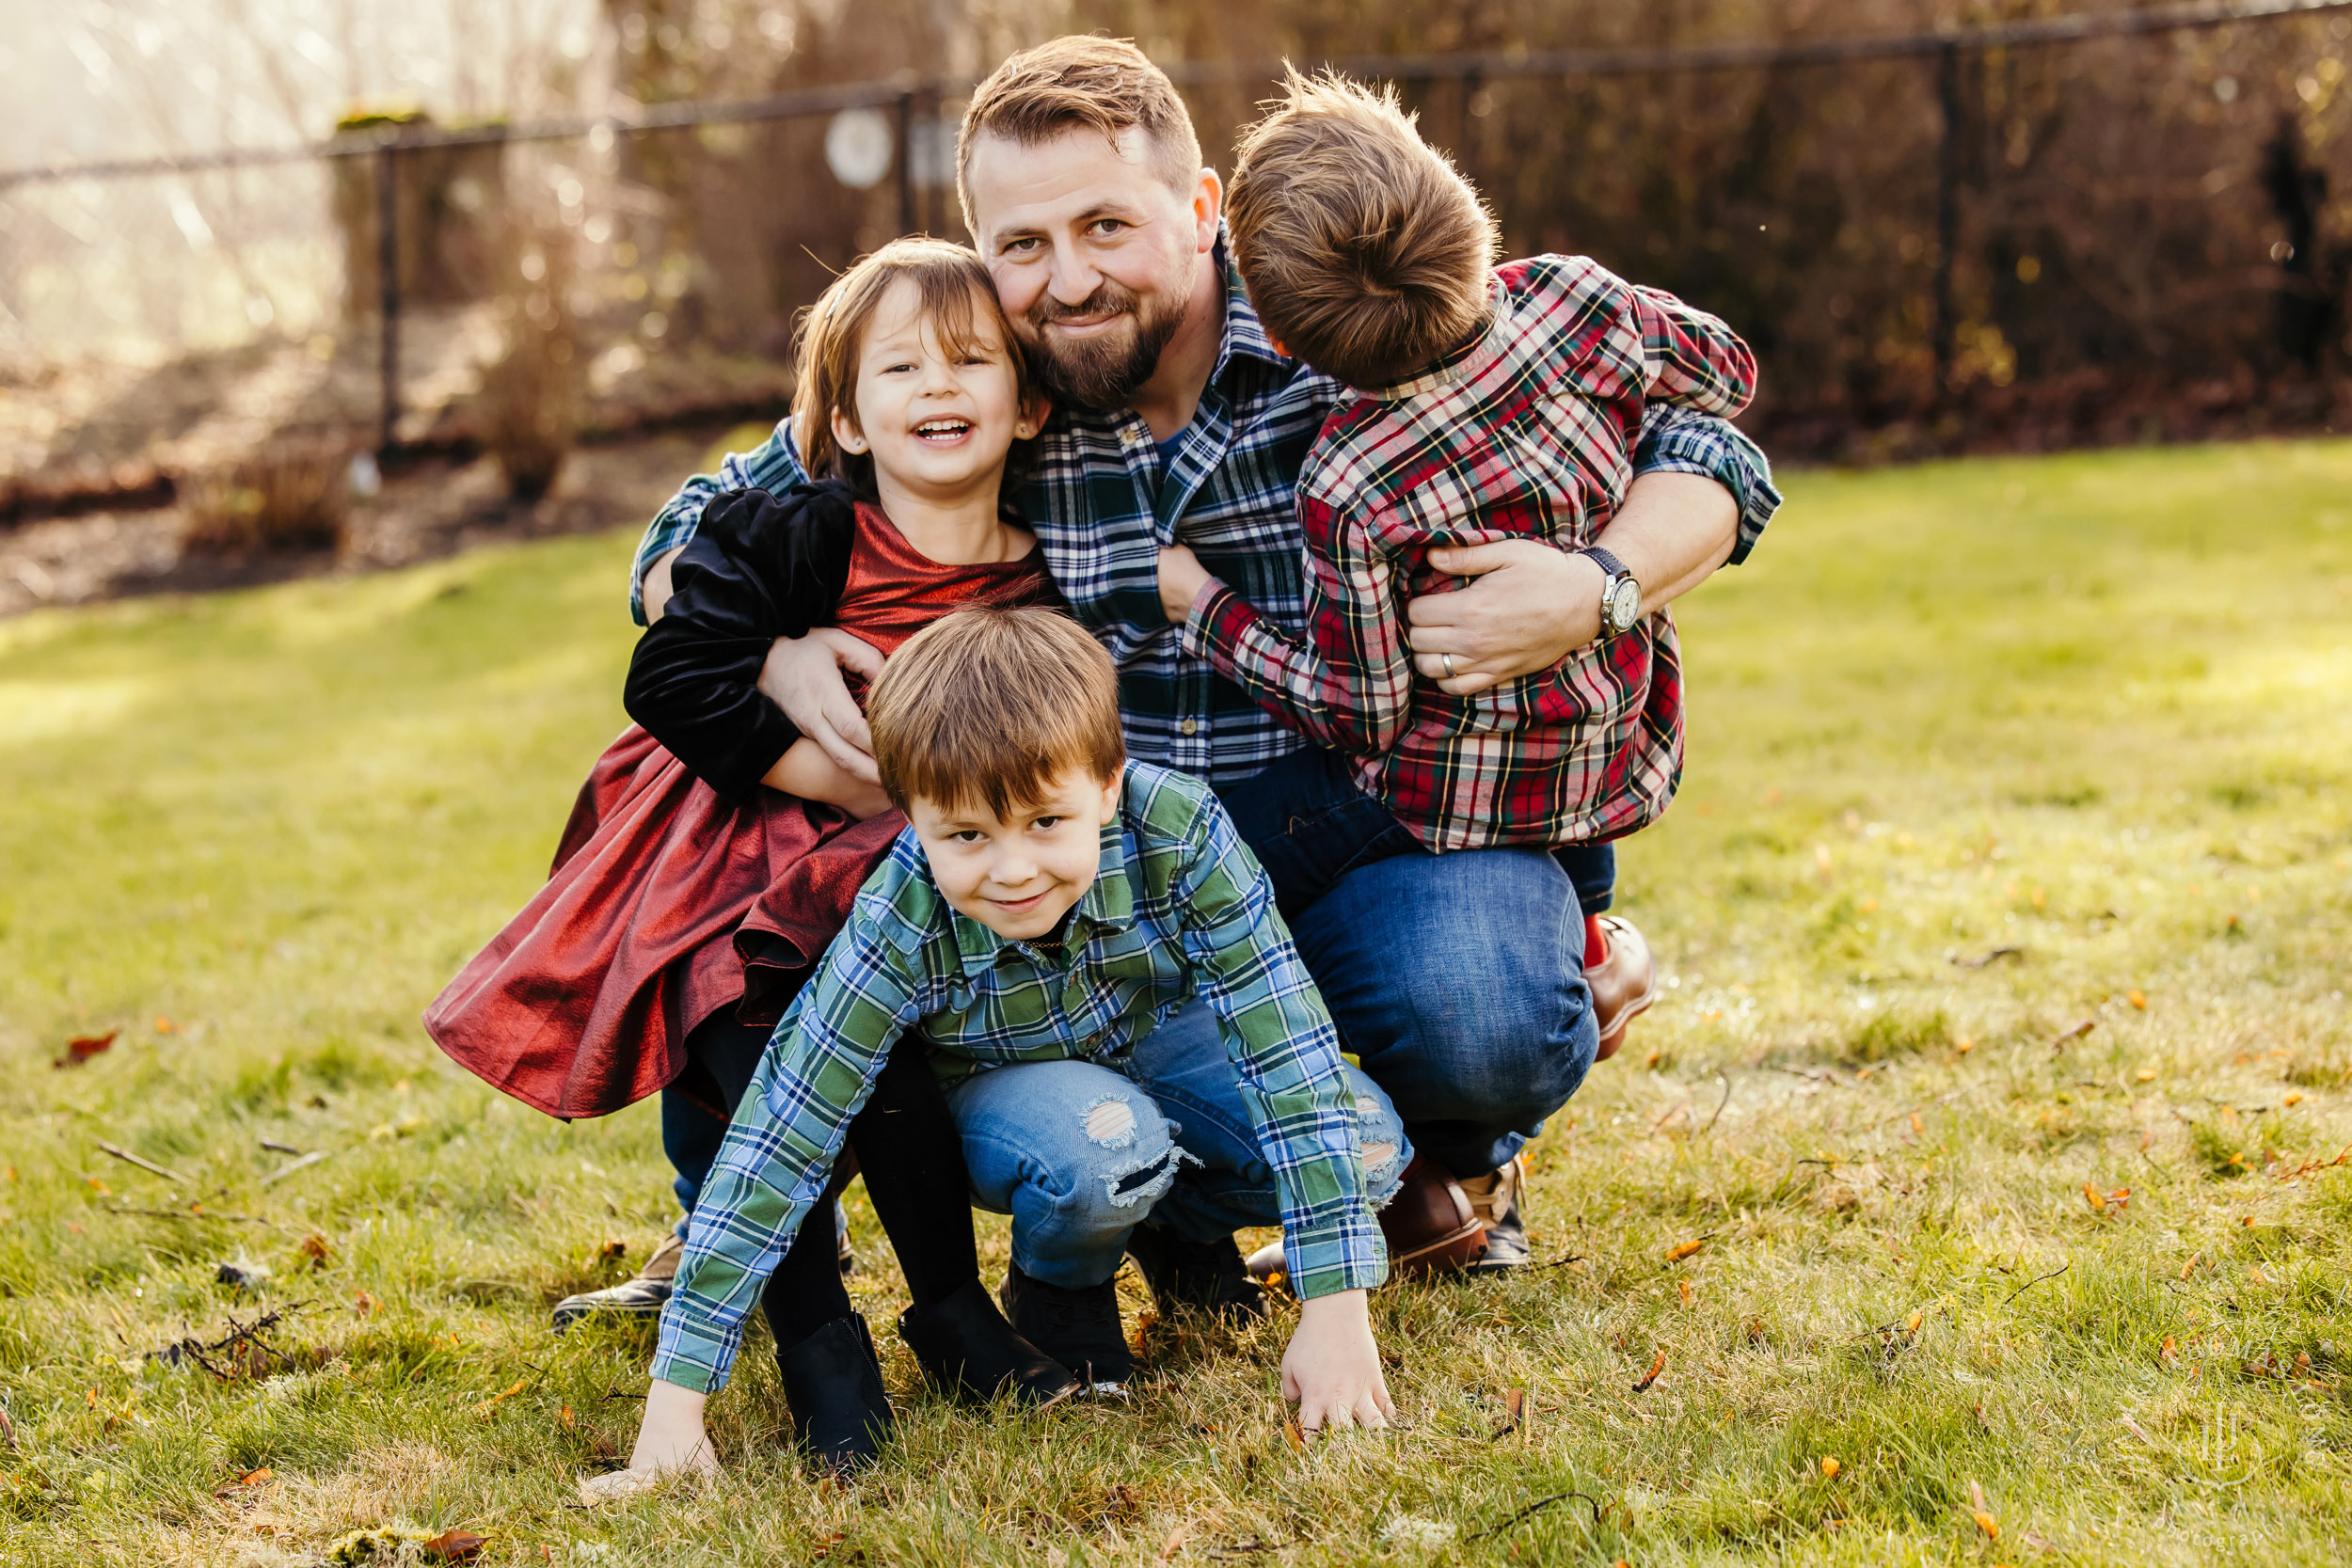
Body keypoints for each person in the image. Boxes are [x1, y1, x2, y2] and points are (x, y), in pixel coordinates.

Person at [611, 36, 1782, 1299]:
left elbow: (1709, 444)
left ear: (1203, 207)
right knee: (844, 914)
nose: (1066, 282)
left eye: (1106, 224)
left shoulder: (1342, 308)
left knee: (1487, 1010)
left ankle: (1452, 1146)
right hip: (1116, 868)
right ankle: (1247, 1182)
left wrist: (1598, 581)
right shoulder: (987, 380)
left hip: (1374, 830)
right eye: (1022, 245)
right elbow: (685, 535)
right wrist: (769, 649)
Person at [426, 239, 1079, 1457]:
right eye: (900, 368)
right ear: (841, 414)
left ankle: (951, 1309)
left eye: (971, 362)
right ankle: (818, 1335)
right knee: (751, 1048)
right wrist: (831, 766)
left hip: (897, 881)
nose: (937, 388)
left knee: (877, 1058)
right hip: (729, 843)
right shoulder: (799, 530)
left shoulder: (1042, 581)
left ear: (1029, 401)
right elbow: (668, 673)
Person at [607, 605, 1405, 1489]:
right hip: (1017, 1101)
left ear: (1106, 784)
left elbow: (1285, 1045)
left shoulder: (1181, 831)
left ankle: (1175, 1229)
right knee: (1105, 1145)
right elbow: (781, 1130)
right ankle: (1059, 1282)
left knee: (1373, 1143)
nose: (1014, 869)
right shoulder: (897, 915)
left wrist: (1335, 1299)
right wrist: (675, 1403)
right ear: (911, 819)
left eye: (1045, 823)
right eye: (966, 835)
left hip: (1159, 1048)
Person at [1154, 70, 1756, 1090]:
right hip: (1602, 749)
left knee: (1191, 861)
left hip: (1447, 793)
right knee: (1558, 824)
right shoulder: (1576, 300)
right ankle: (1589, 935)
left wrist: (1203, 609)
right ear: (1460, 199)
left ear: (1291, 342)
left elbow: (1363, 709)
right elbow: (1726, 373)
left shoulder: (1350, 480)